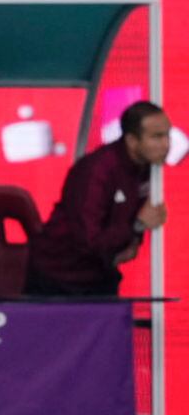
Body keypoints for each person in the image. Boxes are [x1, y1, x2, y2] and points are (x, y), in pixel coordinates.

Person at [26, 101, 170, 296]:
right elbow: (88, 239)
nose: (166, 145)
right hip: (58, 278)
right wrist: (137, 226)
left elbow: (129, 215)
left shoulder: (146, 169)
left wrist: (133, 240)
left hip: (100, 275)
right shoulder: (97, 171)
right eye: (157, 137)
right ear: (132, 140)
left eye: (167, 135)